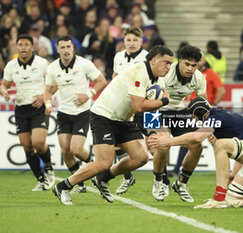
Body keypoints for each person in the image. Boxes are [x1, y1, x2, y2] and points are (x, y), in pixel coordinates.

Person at [52, 45, 173, 205]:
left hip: (124, 119)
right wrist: (164, 100)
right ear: (153, 60)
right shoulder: (138, 72)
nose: (169, 67)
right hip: (104, 116)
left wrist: (151, 132)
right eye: (166, 62)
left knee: (141, 157)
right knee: (103, 163)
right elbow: (139, 106)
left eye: (171, 63)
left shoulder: (159, 80)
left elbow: (153, 106)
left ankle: (103, 178)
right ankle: (63, 186)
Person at [148, 97, 243, 208]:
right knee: (233, 200)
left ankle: (218, 197)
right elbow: (242, 144)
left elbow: (197, 138)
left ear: (198, 114)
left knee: (220, 145)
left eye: (193, 117)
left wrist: (168, 141)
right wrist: (233, 174)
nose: (193, 121)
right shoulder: (221, 116)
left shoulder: (214, 116)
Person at [45, 35, 107, 193]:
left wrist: (89, 93)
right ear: (57, 49)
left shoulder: (84, 64)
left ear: (73, 48)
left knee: (76, 149)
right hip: (64, 113)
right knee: (65, 150)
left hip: (82, 112)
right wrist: (47, 103)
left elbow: (102, 80)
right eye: (62, 47)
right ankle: (79, 183)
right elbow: (48, 90)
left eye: (68, 47)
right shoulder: (52, 68)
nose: (66, 50)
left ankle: (93, 165)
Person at [150, 45, 206, 202]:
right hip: (157, 109)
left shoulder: (199, 78)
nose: (190, 68)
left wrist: (205, 127)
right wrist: (149, 126)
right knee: (162, 144)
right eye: (187, 64)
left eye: (194, 65)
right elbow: (149, 98)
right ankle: (158, 180)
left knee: (197, 145)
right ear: (179, 61)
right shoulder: (165, 75)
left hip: (179, 112)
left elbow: (203, 104)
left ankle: (181, 184)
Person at [0, 34, 55, 191]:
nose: (23, 47)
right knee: (27, 146)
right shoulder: (11, 66)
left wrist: (44, 97)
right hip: (21, 108)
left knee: (38, 142)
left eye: (26, 44)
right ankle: (40, 179)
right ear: (16, 47)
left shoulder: (43, 64)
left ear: (32, 47)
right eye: (20, 45)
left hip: (38, 107)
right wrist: (4, 91)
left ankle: (49, 169)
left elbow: (54, 83)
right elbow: (4, 85)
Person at [169, 53, 226, 178]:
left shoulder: (210, 74)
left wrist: (213, 105)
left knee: (214, 141)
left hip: (205, 113)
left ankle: (222, 168)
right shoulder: (188, 76)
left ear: (203, 60)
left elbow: (221, 90)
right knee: (190, 139)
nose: (198, 62)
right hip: (192, 112)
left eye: (199, 60)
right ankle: (177, 168)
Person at [112, 26, 148, 195]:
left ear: (141, 41)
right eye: (128, 40)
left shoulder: (147, 57)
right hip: (124, 107)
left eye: (135, 40)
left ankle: (160, 180)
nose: (131, 43)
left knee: (157, 144)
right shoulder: (118, 56)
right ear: (124, 41)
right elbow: (114, 78)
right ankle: (127, 177)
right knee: (117, 144)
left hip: (144, 106)